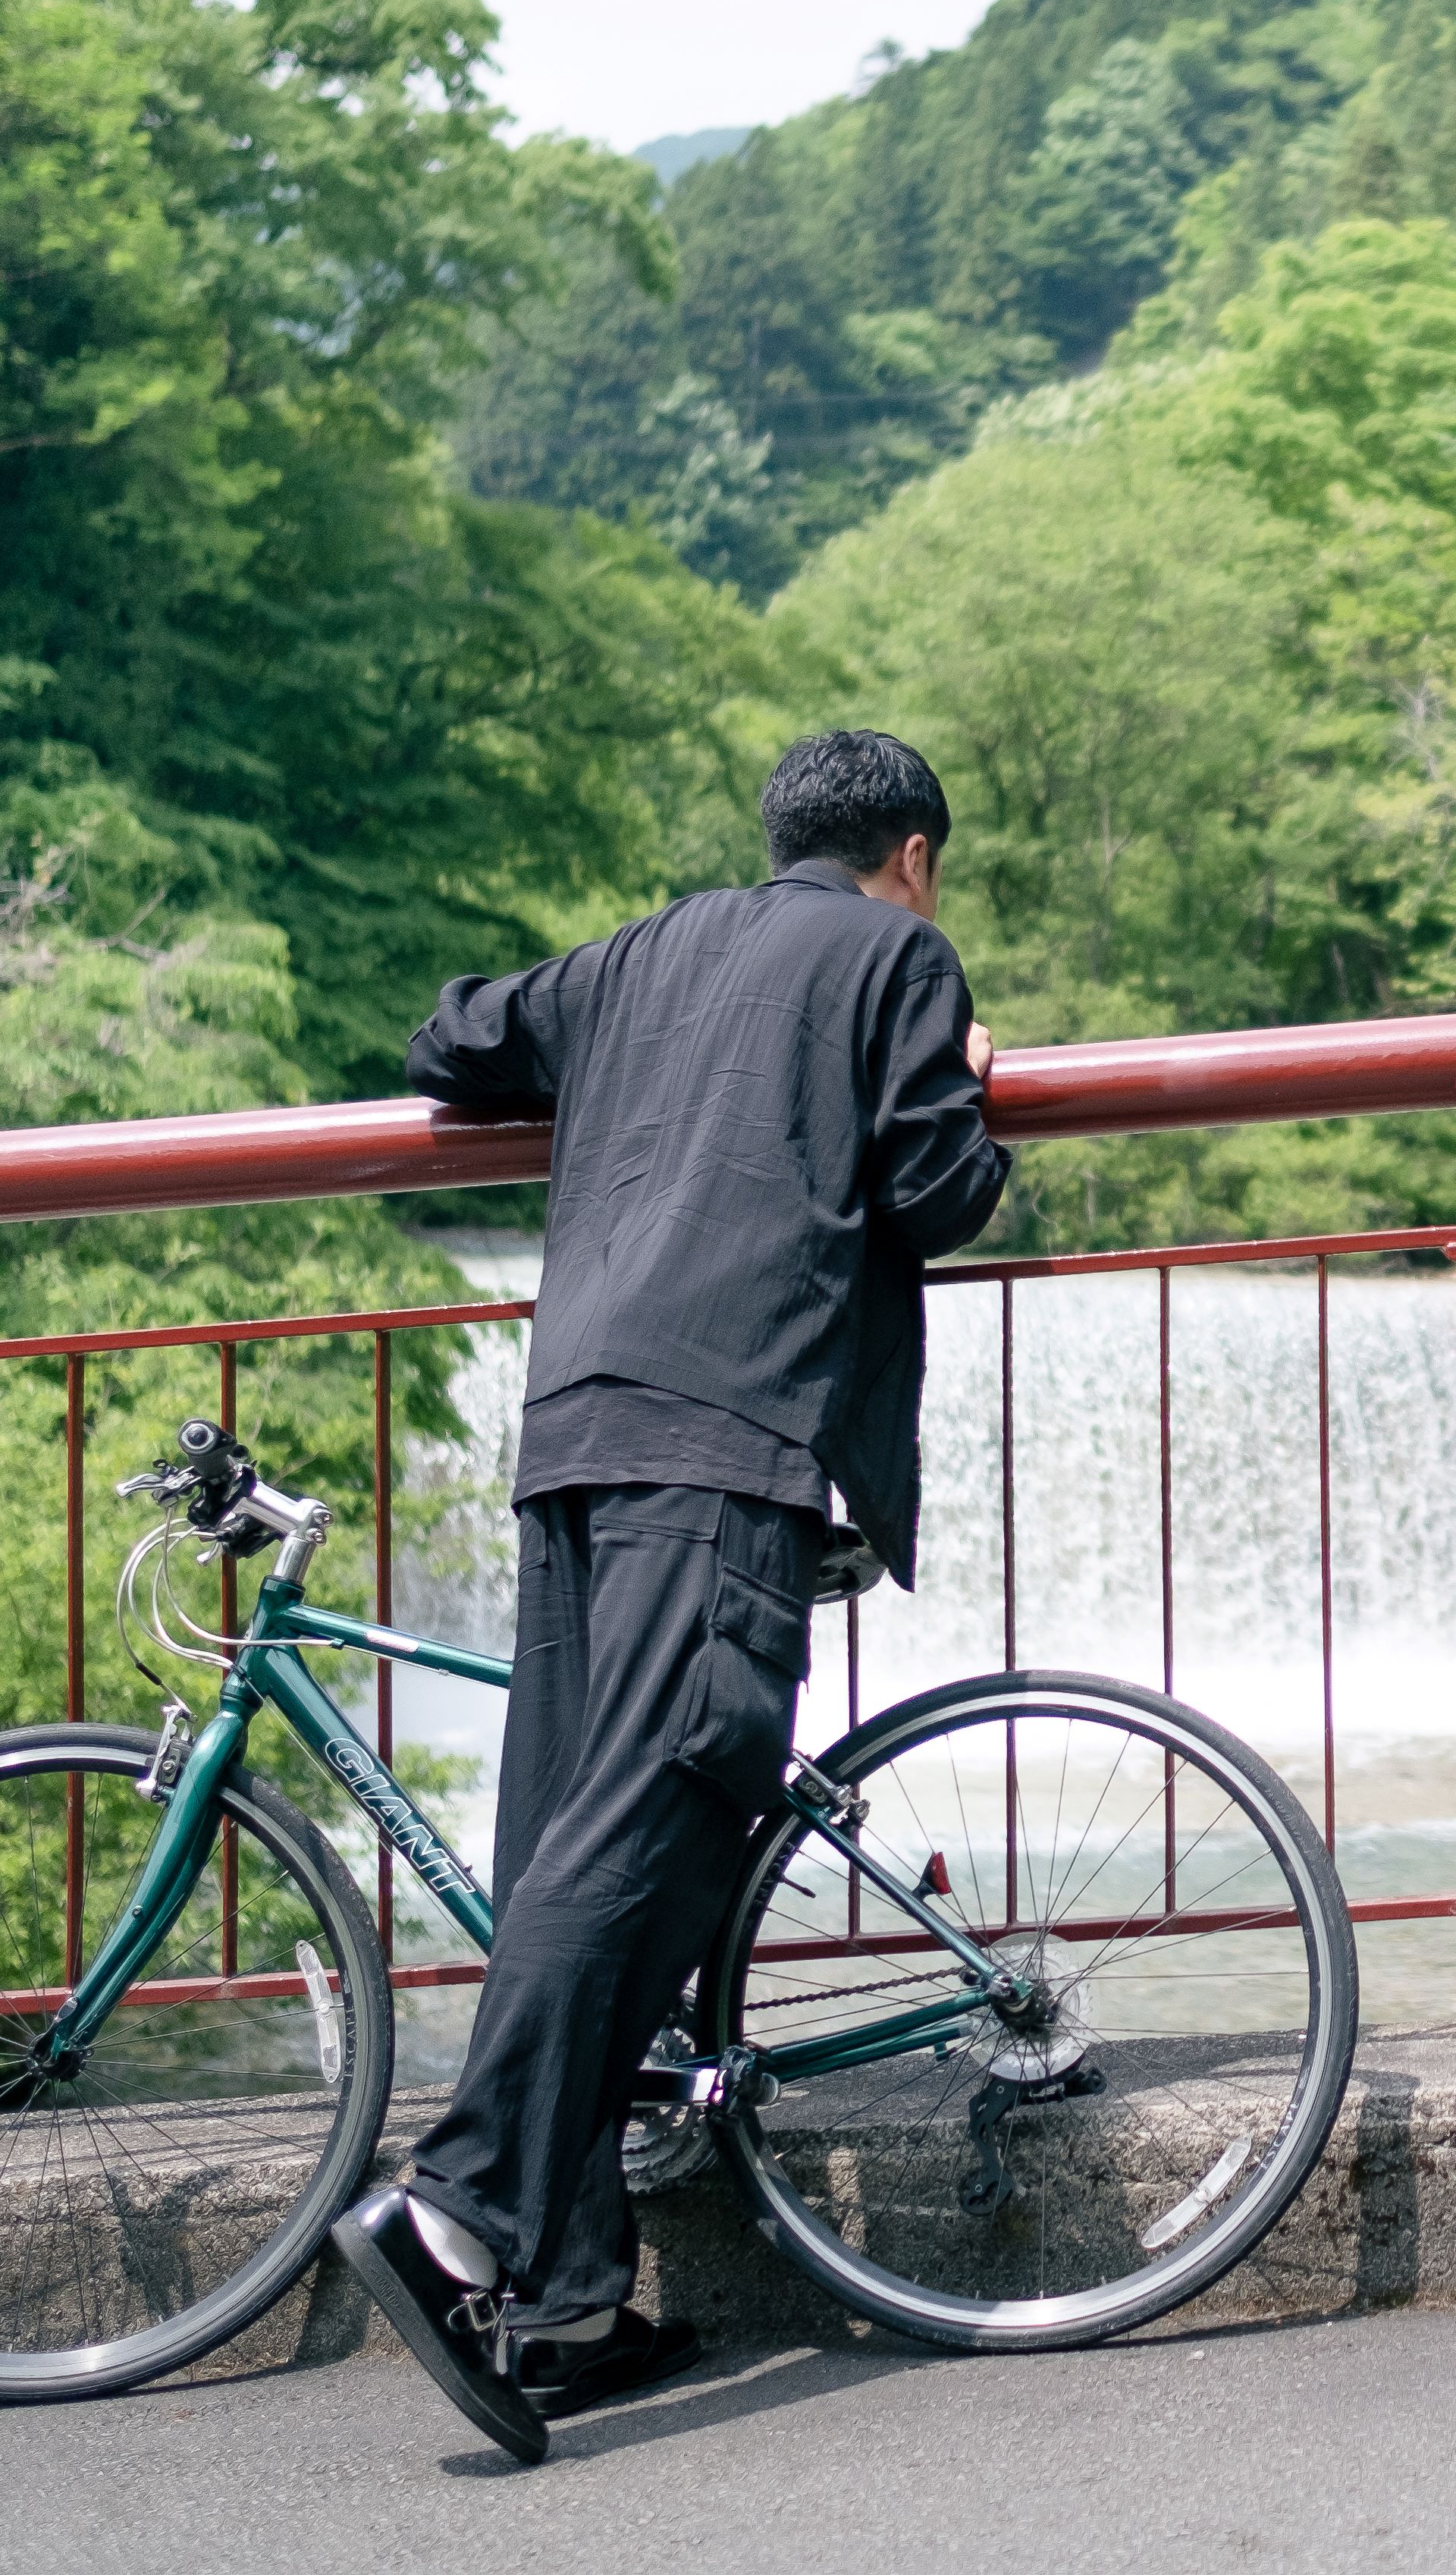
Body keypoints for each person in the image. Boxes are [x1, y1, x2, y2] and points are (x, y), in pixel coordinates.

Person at [332, 730, 1011, 2461]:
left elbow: (451, 1034)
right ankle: (457, 2206)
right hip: (727, 1433)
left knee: (566, 1828)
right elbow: (936, 1195)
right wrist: (974, 1071)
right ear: (912, 856)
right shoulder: (895, 956)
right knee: (666, 1802)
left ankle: (564, 2305)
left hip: (572, 1422)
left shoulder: (642, 952)